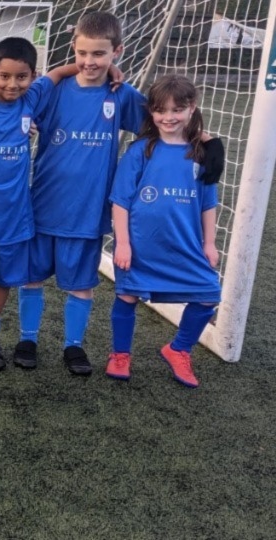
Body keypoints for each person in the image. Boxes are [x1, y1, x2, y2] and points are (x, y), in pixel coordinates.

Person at [11, 11, 148, 375]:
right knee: (31, 277)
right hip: (42, 204)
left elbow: (159, 125)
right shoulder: (54, 90)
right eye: (83, 53)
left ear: (117, 51)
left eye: (99, 54)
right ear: (73, 48)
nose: (90, 62)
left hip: (87, 212)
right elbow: (15, 106)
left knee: (82, 285)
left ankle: (74, 346)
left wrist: (201, 138)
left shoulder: (122, 96)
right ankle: (28, 339)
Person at [0, 37, 78, 372]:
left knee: (4, 277)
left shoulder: (32, 98)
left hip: (15, 216)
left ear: (31, 76)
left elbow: (59, 72)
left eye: (21, 77)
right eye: (4, 76)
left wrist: (107, 66)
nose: (12, 84)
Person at [107, 74, 221, 388]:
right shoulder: (141, 150)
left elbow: (208, 202)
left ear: (191, 108)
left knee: (209, 293)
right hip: (142, 245)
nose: (168, 117)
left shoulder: (202, 154)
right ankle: (120, 354)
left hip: (184, 244)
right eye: (160, 110)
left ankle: (178, 349)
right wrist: (123, 244)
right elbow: (120, 201)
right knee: (127, 295)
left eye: (176, 110)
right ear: (151, 112)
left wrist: (209, 243)